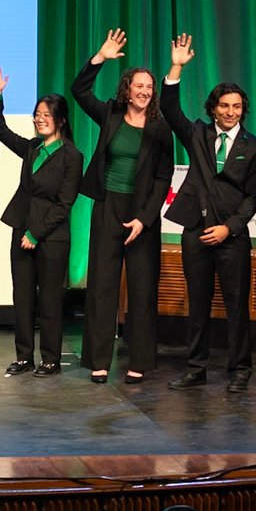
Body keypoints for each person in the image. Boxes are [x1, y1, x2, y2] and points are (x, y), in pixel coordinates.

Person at [161, 34, 256, 393]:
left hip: (231, 237)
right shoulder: (198, 134)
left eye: (236, 107)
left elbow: (254, 196)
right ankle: (196, 368)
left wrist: (229, 228)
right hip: (195, 230)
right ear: (213, 108)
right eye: (224, 106)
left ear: (243, 110)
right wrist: (176, 68)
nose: (230, 112)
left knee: (237, 306)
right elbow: (170, 109)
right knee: (198, 304)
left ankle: (241, 369)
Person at [72, 29, 173, 383]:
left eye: (149, 87)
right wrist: (99, 58)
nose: (144, 91)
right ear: (127, 89)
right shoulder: (111, 114)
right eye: (138, 86)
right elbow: (79, 91)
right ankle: (99, 360)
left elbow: (163, 177)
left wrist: (144, 219)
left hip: (142, 214)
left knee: (143, 290)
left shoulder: (161, 129)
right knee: (102, 286)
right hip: (108, 206)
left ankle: (139, 362)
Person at [0, 68, 83, 376]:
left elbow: (64, 203)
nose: (39, 119)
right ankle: (24, 357)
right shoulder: (31, 148)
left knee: (50, 301)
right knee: (22, 299)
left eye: (46, 115)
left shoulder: (71, 156)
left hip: (51, 238)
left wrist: (36, 234)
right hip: (22, 229)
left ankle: (51, 359)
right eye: (37, 114)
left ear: (60, 120)